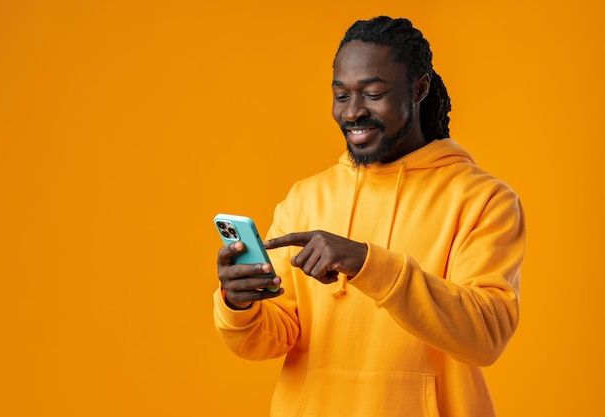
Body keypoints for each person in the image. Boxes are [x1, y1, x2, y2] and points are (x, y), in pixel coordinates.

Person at [214, 16, 525, 417]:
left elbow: (485, 335)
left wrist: (367, 262)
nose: (353, 112)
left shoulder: (484, 199)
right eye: (341, 96)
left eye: (373, 93)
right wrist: (240, 307)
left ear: (419, 89)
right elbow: (268, 341)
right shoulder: (305, 197)